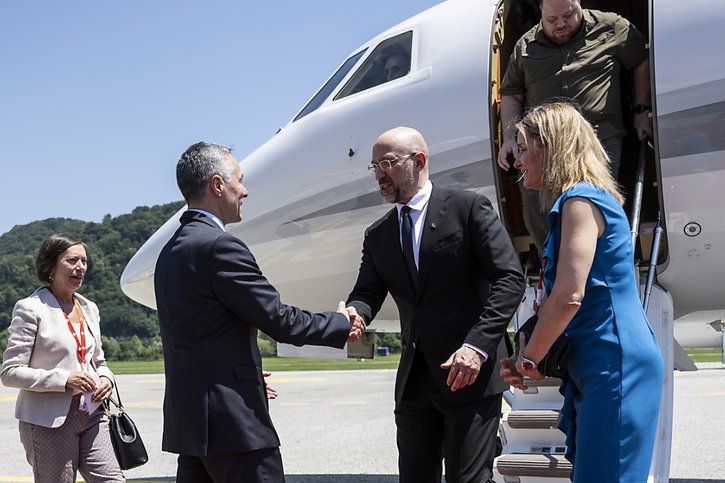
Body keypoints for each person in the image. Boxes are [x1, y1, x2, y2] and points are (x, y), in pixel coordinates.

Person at [154, 141, 363, 483]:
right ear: (217, 185)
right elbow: (279, 320)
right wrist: (339, 322)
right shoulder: (220, 245)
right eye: (239, 179)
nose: (245, 191)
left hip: (191, 427)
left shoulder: (170, 252)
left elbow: (199, 335)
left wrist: (243, 372)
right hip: (233, 426)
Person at [346, 127, 525, 483]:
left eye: (388, 163)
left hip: (469, 374)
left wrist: (476, 346)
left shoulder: (468, 208)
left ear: (420, 161)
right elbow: (366, 293)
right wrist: (355, 313)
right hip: (415, 381)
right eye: (374, 167)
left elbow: (510, 279)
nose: (379, 175)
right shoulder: (378, 234)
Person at [500, 102, 664, 482]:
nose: (518, 160)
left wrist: (529, 358)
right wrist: (526, 345)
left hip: (614, 361)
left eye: (523, 148)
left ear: (551, 148)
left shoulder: (580, 200)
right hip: (599, 362)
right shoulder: (575, 203)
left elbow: (568, 297)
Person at [497, 0, 653, 253]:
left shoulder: (611, 26)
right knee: (535, 198)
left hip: (597, 135)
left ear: (579, 3)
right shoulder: (525, 45)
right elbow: (512, 94)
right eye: (551, 19)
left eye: (568, 15)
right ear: (541, 13)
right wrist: (510, 137)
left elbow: (640, 58)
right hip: (545, 142)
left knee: (592, 199)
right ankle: (554, 262)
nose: (561, 24)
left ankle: (597, 264)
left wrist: (641, 109)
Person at [1, 234, 124, 483]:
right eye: (72, 260)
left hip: (92, 413)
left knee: (112, 480)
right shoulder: (30, 308)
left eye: (84, 261)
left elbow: (99, 361)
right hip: (49, 421)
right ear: (50, 265)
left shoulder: (89, 307)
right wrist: (64, 379)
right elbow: (10, 372)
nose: (80, 267)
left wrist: (105, 377)